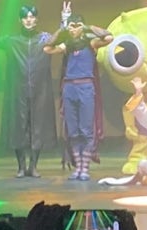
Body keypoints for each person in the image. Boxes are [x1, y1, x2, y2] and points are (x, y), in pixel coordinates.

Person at [0, 2, 62, 178]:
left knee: (37, 128)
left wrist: (65, 21)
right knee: (18, 127)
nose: (29, 20)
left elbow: (63, 41)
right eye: (25, 17)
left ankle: (33, 166)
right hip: (17, 91)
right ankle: (21, 166)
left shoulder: (45, 39)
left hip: (40, 90)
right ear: (20, 20)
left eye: (32, 17)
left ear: (37, 19)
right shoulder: (12, 41)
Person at [44, 10, 113, 181]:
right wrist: (62, 29)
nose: (74, 29)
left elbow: (109, 37)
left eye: (77, 26)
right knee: (73, 131)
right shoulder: (67, 45)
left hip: (86, 87)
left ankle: (85, 167)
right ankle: (78, 167)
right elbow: (47, 48)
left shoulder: (91, 43)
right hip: (69, 88)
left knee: (86, 131)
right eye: (72, 26)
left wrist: (87, 27)